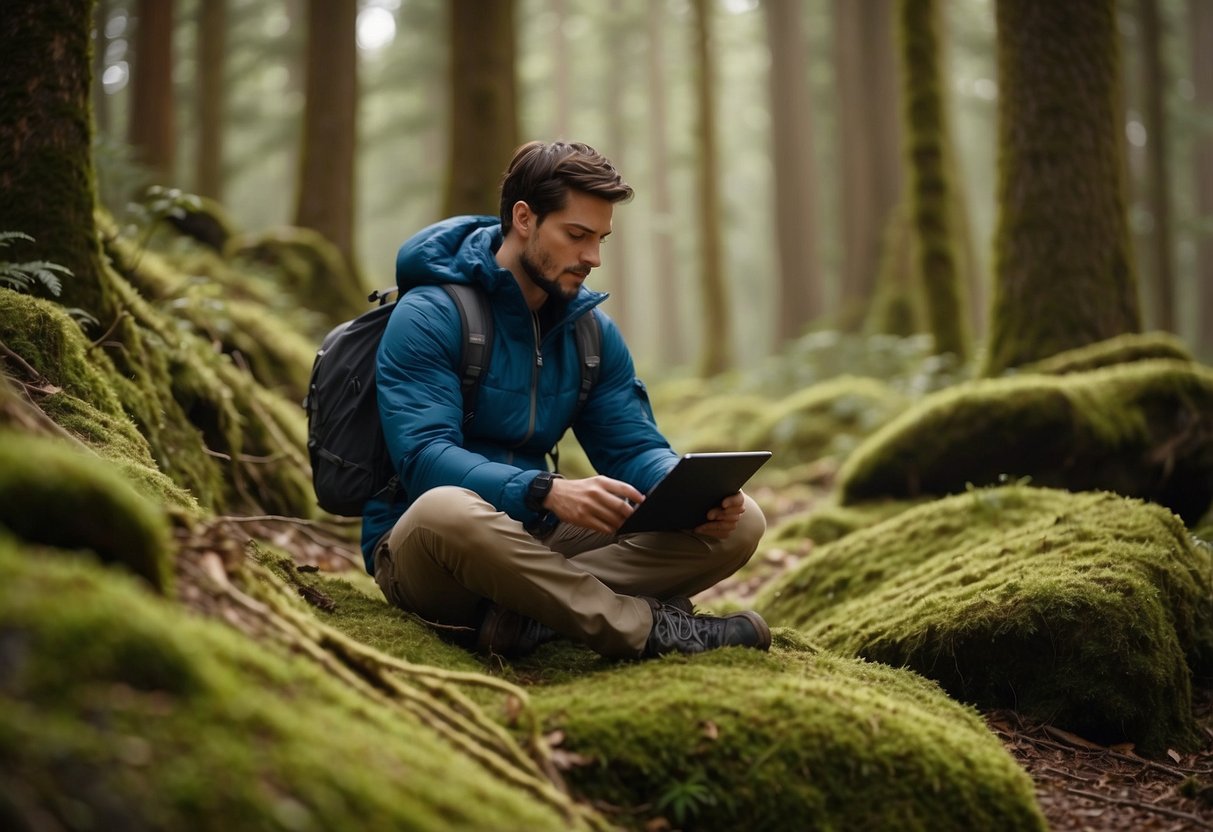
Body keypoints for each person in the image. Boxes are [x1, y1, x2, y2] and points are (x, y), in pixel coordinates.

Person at [362, 140, 769, 659]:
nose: (593, 258)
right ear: (524, 218)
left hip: (537, 540)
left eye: (601, 239)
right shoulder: (428, 315)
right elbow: (423, 461)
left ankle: (531, 618)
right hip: (429, 549)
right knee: (448, 508)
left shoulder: (590, 334)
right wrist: (544, 491)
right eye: (577, 235)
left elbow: (630, 449)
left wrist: (687, 492)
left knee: (744, 522)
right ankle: (646, 628)